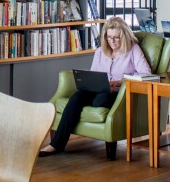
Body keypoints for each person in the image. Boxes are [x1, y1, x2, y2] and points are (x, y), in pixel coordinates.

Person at [39, 17, 151, 156]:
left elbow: (146, 74)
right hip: (98, 89)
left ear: (124, 36)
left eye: (116, 37)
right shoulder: (100, 51)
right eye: (109, 37)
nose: (112, 41)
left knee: (100, 101)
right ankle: (55, 145)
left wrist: (120, 82)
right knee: (76, 97)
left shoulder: (133, 49)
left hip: (117, 92)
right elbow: (94, 74)